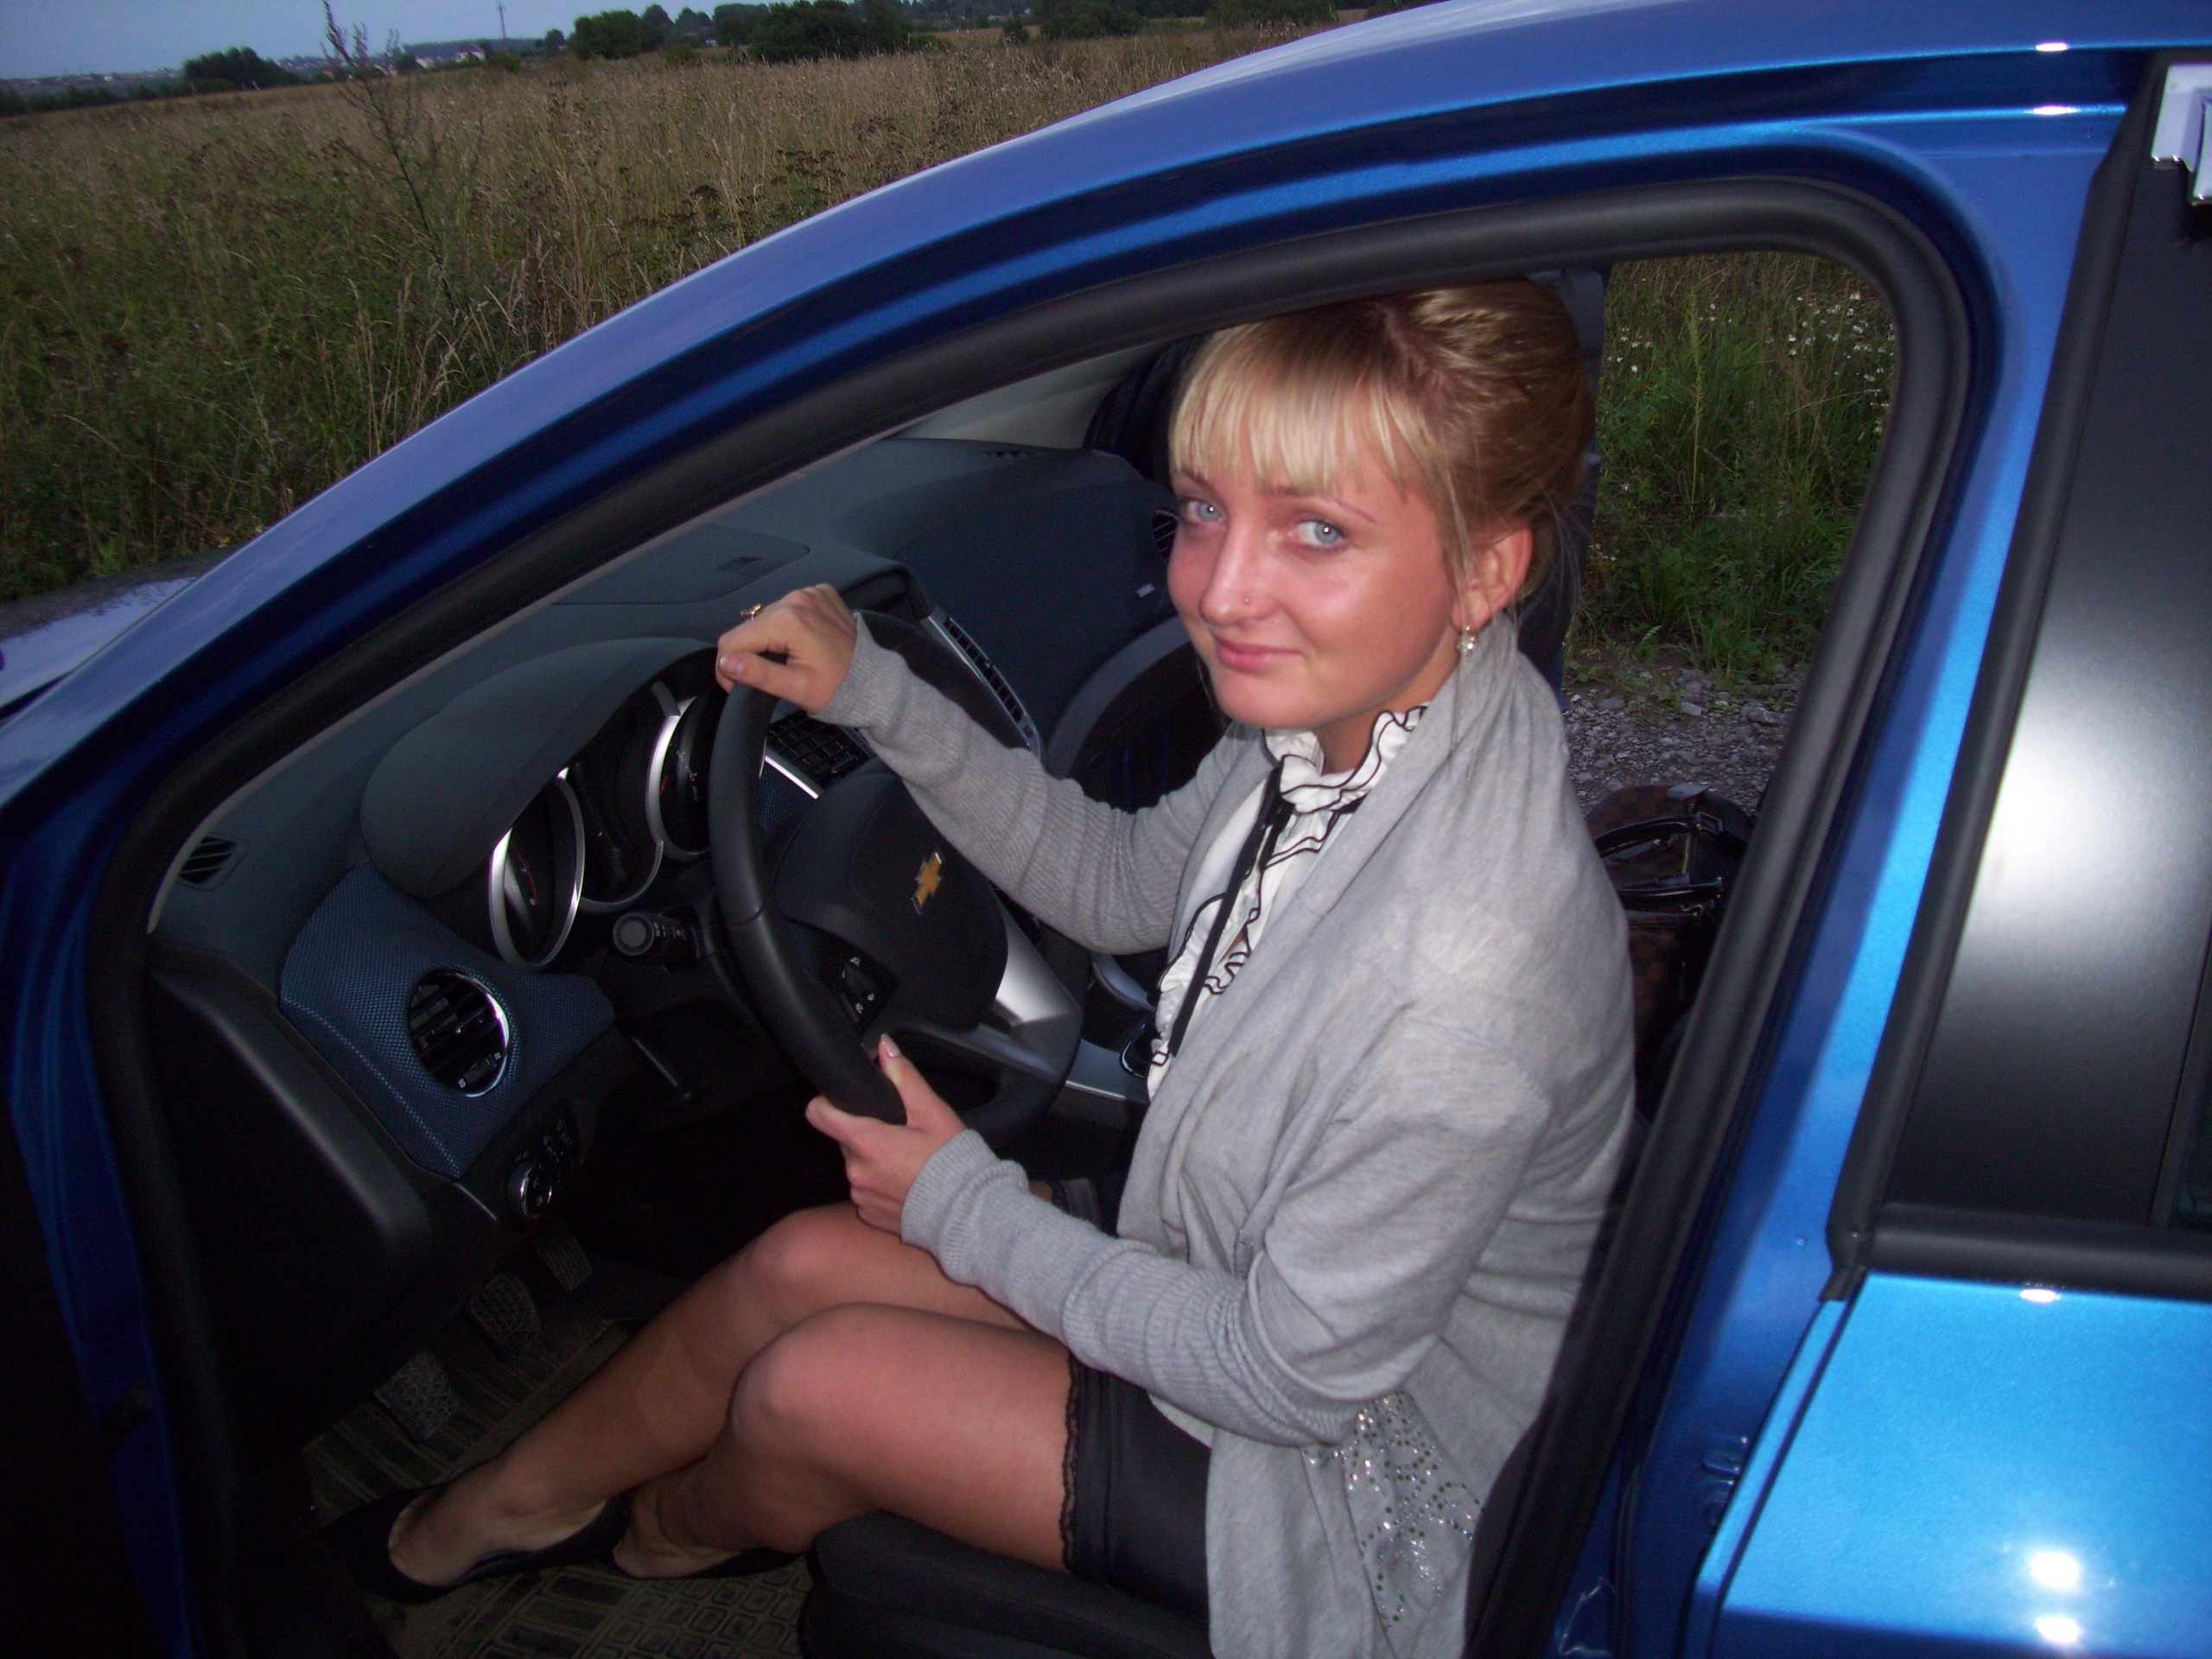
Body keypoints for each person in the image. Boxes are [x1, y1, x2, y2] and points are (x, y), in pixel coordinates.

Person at [329, 281, 1636, 1659]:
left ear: (1487, 570)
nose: (1220, 590)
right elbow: (1114, 882)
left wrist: (963, 1203)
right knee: (794, 1266)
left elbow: (1286, 1376)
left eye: (1318, 530)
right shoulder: (1348, 717)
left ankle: (657, 1541)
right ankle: (498, 1513)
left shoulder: (1470, 971)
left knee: (809, 1391)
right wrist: (876, 697)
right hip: (1242, 1276)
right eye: (1204, 509)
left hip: (1358, 1465)